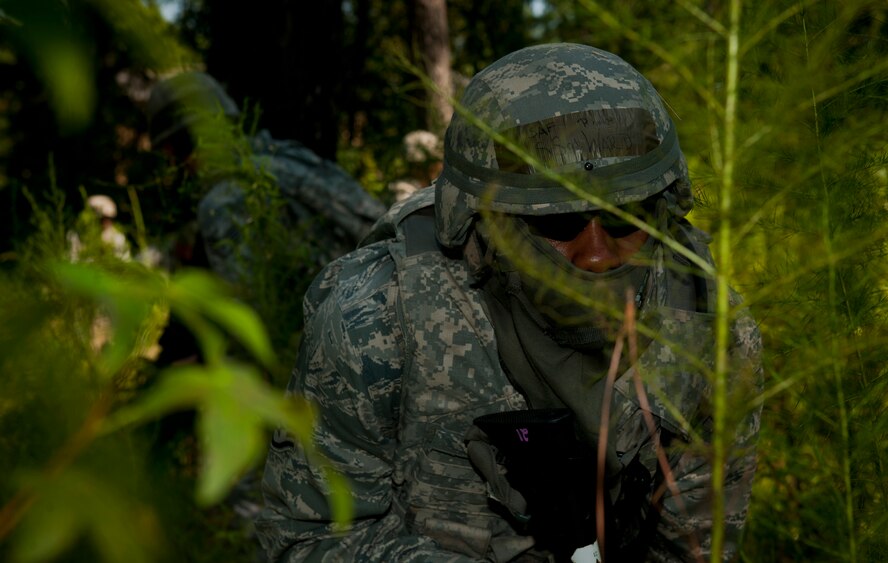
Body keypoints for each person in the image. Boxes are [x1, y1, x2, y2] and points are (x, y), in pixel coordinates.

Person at [256, 43, 762, 562]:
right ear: (485, 223)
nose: (595, 255)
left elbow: (693, 548)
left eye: (625, 216)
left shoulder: (707, 329)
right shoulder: (377, 318)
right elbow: (308, 539)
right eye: (558, 223)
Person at [146, 71, 386, 285]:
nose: (176, 167)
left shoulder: (224, 202)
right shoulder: (290, 155)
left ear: (184, 142)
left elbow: (251, 312)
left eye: (172, 154)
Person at [388, 130, 444, 202]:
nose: (440, 166)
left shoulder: (432, 188)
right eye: (435, 161)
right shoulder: (406, 195)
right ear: (419, 165)